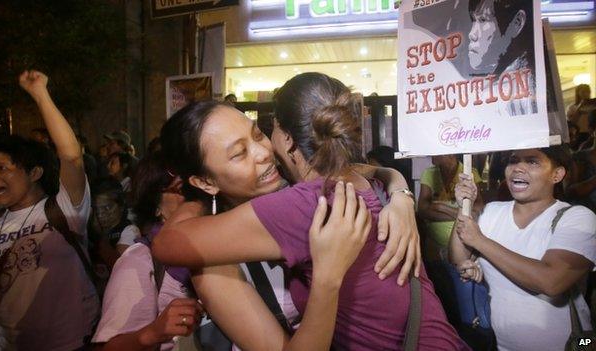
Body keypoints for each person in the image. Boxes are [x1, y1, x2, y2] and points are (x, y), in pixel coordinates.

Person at [154, 73, 467, 350]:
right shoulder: (214, 262)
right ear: (205, 180)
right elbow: (166, 245)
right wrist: (397, 188)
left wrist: (400, 193)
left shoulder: (303, 202)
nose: (263, 153)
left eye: (259, 134)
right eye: (239, 153)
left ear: (289, 139)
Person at [0, 70, 98, 350]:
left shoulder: (64, 210)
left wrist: (40, 94)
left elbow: (70, 155)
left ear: (34, 172)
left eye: (2, 169)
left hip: (70, 343)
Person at [449, 146, 596, 351]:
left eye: (532, 161)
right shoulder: (492, 212)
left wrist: (481, 242)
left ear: (557, 174)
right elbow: (458, 258)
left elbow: (551, 281)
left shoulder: (578, 218)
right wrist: (462, 208)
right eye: (513, 160)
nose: (518, 168)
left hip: (571, 344)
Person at [92, 154, 203, 351]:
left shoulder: (216, 248)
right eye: (181, 190)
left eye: (197, 186)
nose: (194, 198)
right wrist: (154, 332)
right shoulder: (140, 260)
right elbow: (107, 348)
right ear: (155, 206)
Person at [467, 0, 536, 115]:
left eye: (483, 20)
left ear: (517, 22)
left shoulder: (523, 86)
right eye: (473, 20)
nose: (472, 34)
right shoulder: (492, 86)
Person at [418, 154, 484, 261]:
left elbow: (478, 210)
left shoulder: (469, 172)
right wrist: (463, 214)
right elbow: (423, 210)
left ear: (451, 153)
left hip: (464, 245)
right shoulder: (429, 173)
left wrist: (440, 207)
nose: (431, 154)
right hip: (435, 246)